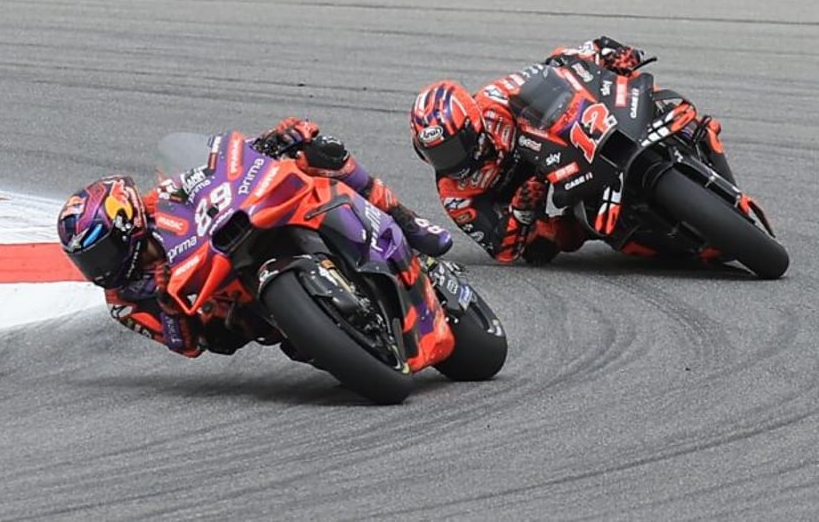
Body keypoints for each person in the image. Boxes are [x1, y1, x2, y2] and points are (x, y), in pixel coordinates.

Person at [56, 120, 454, 370]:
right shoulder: (122, 301)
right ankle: (340, 332)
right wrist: (167, 303)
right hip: (236, 314)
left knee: (319, 153)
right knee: (298, 349)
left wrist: (271, 142)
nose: (100, 269)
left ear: (129, 224)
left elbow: (215, 171)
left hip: (240, 233)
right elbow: (187, 346)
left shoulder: (158, 203)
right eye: (87, 261)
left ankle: (407, 224)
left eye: (101, 252)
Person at [409, 36, 736, 266]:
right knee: (549, 243)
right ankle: (652, 240)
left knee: (676, 110)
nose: (448, 162)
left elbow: (551, 68)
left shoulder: (493, 99)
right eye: (436, 154)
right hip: (543, 192)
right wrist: (522, 212)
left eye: (452, 149)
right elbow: (502, 249)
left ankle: (697, 145)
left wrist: (602, 52)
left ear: (473, 126)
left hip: (562, 145)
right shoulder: (456, 194)